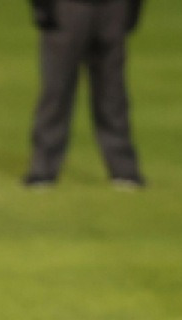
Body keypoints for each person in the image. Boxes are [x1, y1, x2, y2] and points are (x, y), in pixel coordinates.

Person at [22, 0, 146, 189]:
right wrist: (43, 7)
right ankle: (43, 170)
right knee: (56, 90)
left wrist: (133, 8)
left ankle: (124, 170)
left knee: (113, 93)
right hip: (66, 7)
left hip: (114, 7)